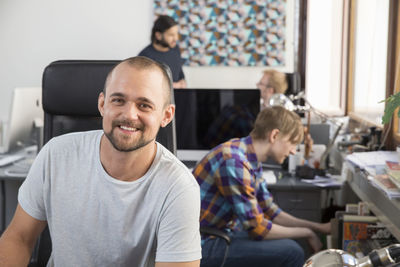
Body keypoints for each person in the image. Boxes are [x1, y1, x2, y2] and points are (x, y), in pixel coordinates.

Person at [0, 56, 201, 267]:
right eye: (118, 100)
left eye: (144, 105)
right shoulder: (56, 154)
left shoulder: (178, 187)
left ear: (166, 116)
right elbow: (19, 238)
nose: (130, 114)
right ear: (102, 104)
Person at [192, 106, 331, 267]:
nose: (293, 152)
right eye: (292, 143)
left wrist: (317, 228)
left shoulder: (249, 158)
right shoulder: (234, 161)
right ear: (274, 135)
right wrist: (306, 233)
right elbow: (257, 228)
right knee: (292, 251)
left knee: (287, 245)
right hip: (201, 244)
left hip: (221, 231)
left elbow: (271, 211)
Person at [139, 15, 187, 89]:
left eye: (176, 34)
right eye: (171, 35)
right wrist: (172, 86)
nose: (176, 38)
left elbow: (180, 73)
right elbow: (144, 85)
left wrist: (183, 82)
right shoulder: (145, 56)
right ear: (158, 36)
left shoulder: (175, 49)